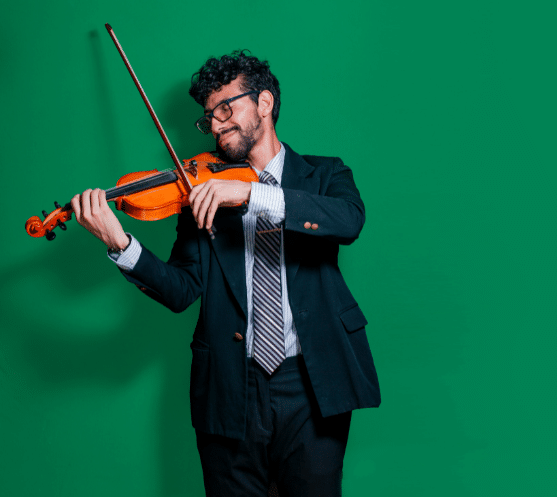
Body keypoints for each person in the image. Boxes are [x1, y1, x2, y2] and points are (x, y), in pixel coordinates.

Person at [71, 50, 381, 497]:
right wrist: (120, 243)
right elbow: (182, 289)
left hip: (313, 383)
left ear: (265, 103)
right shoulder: (199, 191)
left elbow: (347, 221)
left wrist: (250, 194)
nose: (215, 125)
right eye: (207, 118)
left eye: (225, 109)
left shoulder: (325, 173)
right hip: (231, 384)